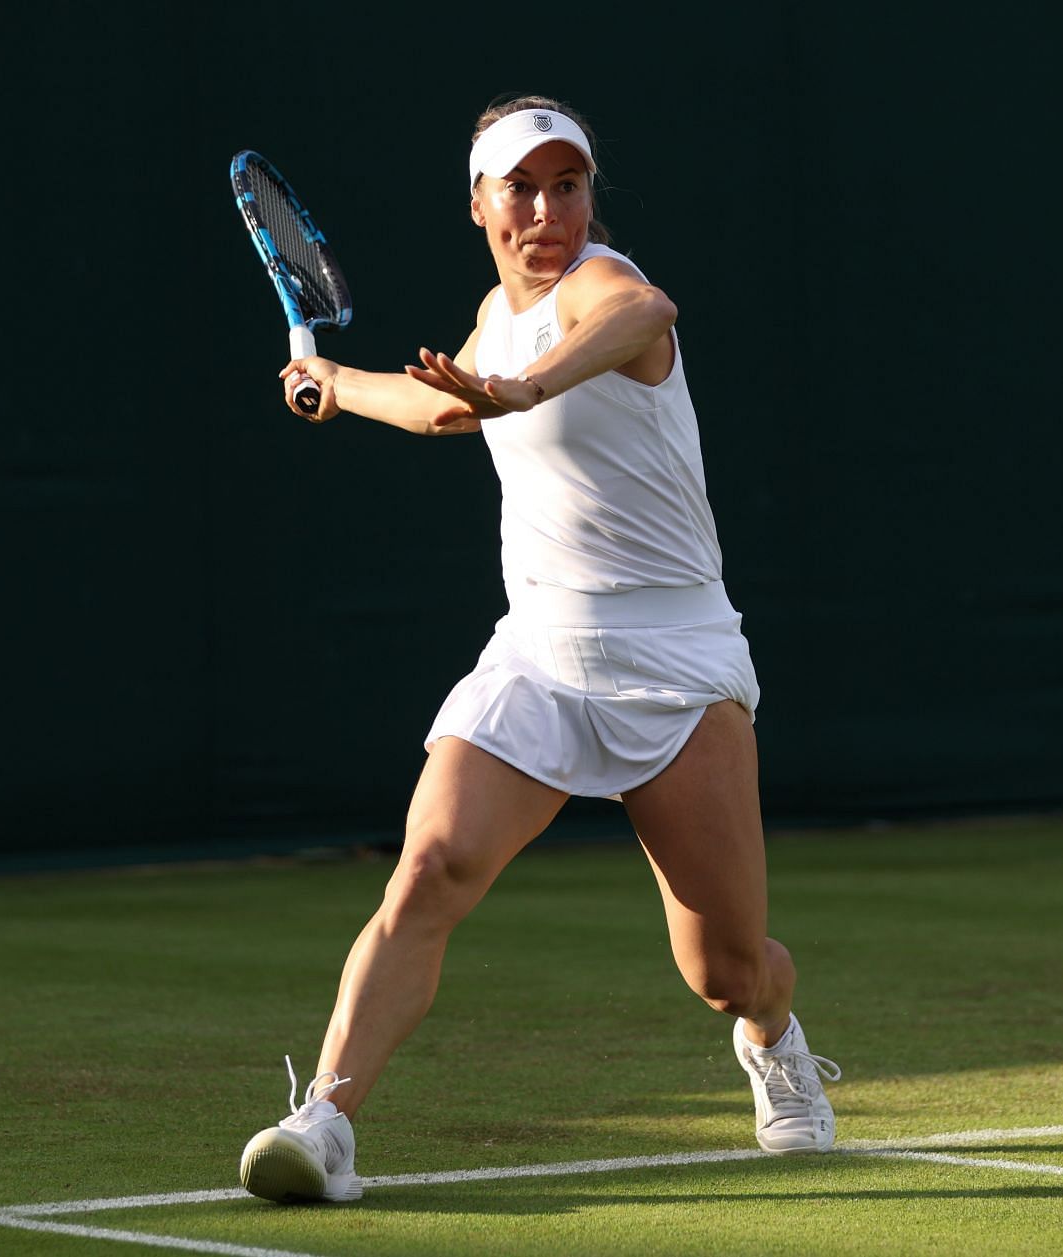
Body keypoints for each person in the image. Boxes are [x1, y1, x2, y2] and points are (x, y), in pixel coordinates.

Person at [237, 95, 840, 1205]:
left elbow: (643, 312)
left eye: (568, 185)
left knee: (725, 970)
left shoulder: (608, 288)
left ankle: (775, 1037)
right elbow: (441, 409)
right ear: (479, 204)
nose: (547, 210)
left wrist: (529, 385)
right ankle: (323, 1123)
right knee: (427, 871)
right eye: (521, 187)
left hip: (679, 656)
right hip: (541, 655)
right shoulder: (491, 315)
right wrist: (337, 387)